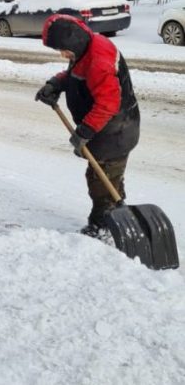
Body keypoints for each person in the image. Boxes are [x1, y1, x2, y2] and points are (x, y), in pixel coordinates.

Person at [35, 14, 140, 237]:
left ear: (74, 41)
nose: (63, 55)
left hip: (115, 132)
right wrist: (56, 84)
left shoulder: (98, 61)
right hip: (109, 129)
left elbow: (108, 103)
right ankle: (114, 216)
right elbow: (76, 74)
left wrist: (85, 131)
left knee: (99, 180)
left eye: (64, 50)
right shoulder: (86, 48)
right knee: (107, 177)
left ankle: (102, 227)